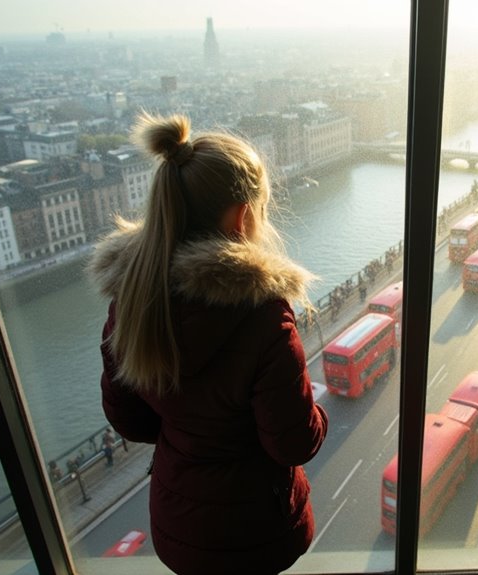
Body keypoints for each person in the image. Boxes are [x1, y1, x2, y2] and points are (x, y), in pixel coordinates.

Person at [88, 112, 328, 575]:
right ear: (242, 217)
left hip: (179, 524)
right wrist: (316, 411)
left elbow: (130, 420)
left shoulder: (131, 298)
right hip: (258, 530)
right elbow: (295, 443)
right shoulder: (264, 315)